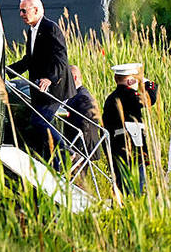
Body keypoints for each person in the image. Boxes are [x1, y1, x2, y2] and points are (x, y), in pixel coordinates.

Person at [8, 0, 75, 157]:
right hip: (39, 89)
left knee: (39, 121)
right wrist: (5, 71)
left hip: (54, 90)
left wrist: (50, 78)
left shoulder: (50, 28)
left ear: (36, 10)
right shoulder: (32, 31)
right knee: (39, 128)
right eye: (20, 11)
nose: (21, 14)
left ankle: (69, 152)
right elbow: (29, 61)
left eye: (24, 11)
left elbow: (61, 58)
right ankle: (56, 165)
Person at [102, 62, 158, 195]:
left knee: (121, 188)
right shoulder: (132, 96)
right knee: (134, 191)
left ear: (116, 79)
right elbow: (152, 98)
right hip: (133, 151)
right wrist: (146, 82)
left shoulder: (110, 98)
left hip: (116, 151)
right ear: (131, 80)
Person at [63, 65, 101, 162]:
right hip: (77, 147)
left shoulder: (83, 97)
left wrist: (78, 149)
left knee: (78, 176)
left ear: (74, 77)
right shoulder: (76, 95)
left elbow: (86, 124)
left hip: (82, 149)